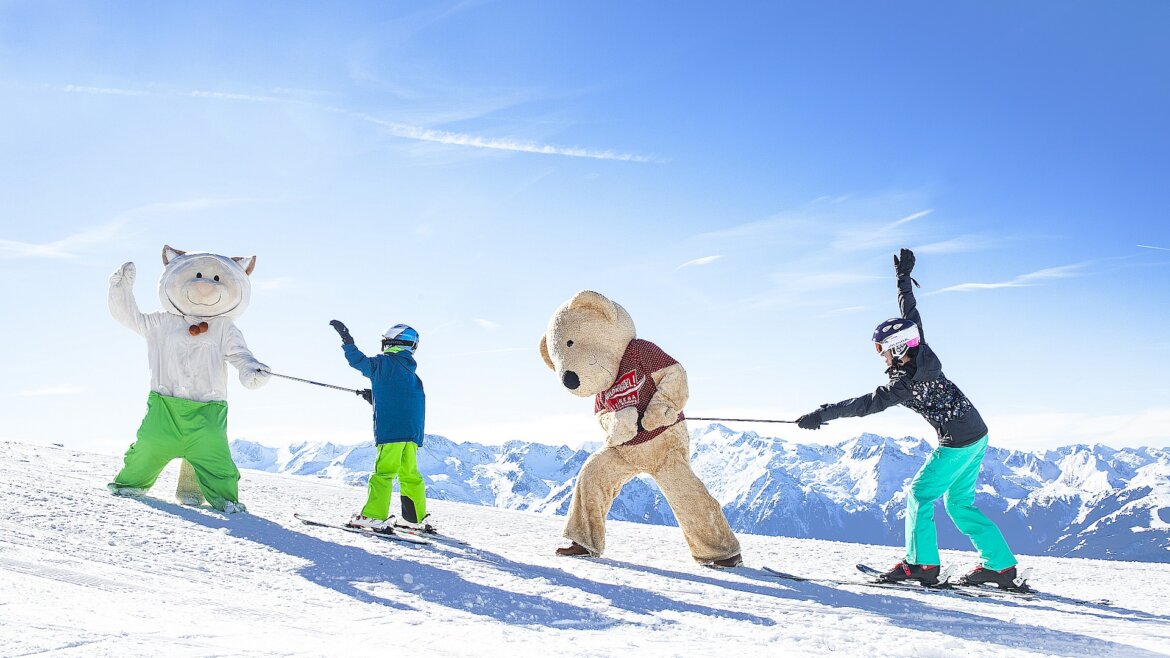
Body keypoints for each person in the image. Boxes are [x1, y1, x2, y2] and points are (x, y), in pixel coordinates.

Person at [795, 249, 1018, 589]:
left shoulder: (903, 385)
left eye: (882, 349)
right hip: (977, 433)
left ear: (899, 348)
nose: (880, 356)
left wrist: (821, 414)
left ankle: (921, 564)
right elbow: (910, 312)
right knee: (959, 504)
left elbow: (863, 404)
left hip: (957, 442)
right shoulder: (923, 352)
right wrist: (903, 279)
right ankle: (999, 566)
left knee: (919, 495)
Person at [329, 320, 432, 533]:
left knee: (384, 473)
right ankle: (414, 519)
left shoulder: (384, 364)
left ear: (392, 342)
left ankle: (374, 516)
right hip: (412, 433)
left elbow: (358, 362)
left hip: (392, 431)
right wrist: (376, 397)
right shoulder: (411, 372)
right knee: (409, 474)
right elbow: (403, 397)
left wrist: (347, 340)